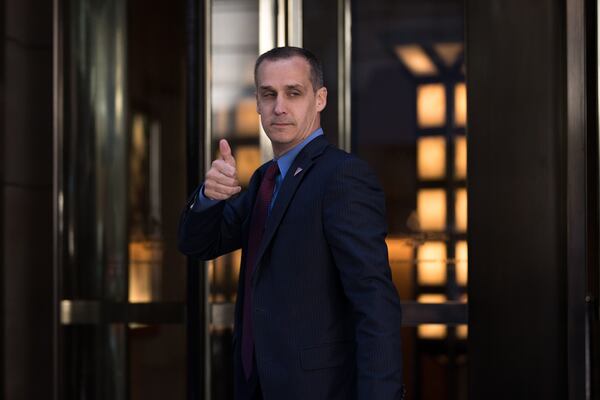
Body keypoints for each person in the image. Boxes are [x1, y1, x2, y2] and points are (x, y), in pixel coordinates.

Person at [178, 46, 404, 399]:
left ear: (320, 99)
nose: (279, 107)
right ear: (257, 102)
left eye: (293, 93)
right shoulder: (265, 180)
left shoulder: (343, 177)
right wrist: (209, 197)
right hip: (255, 384)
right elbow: (198, 244)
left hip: (318, 389)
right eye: (268, 94)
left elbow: (374, 301)